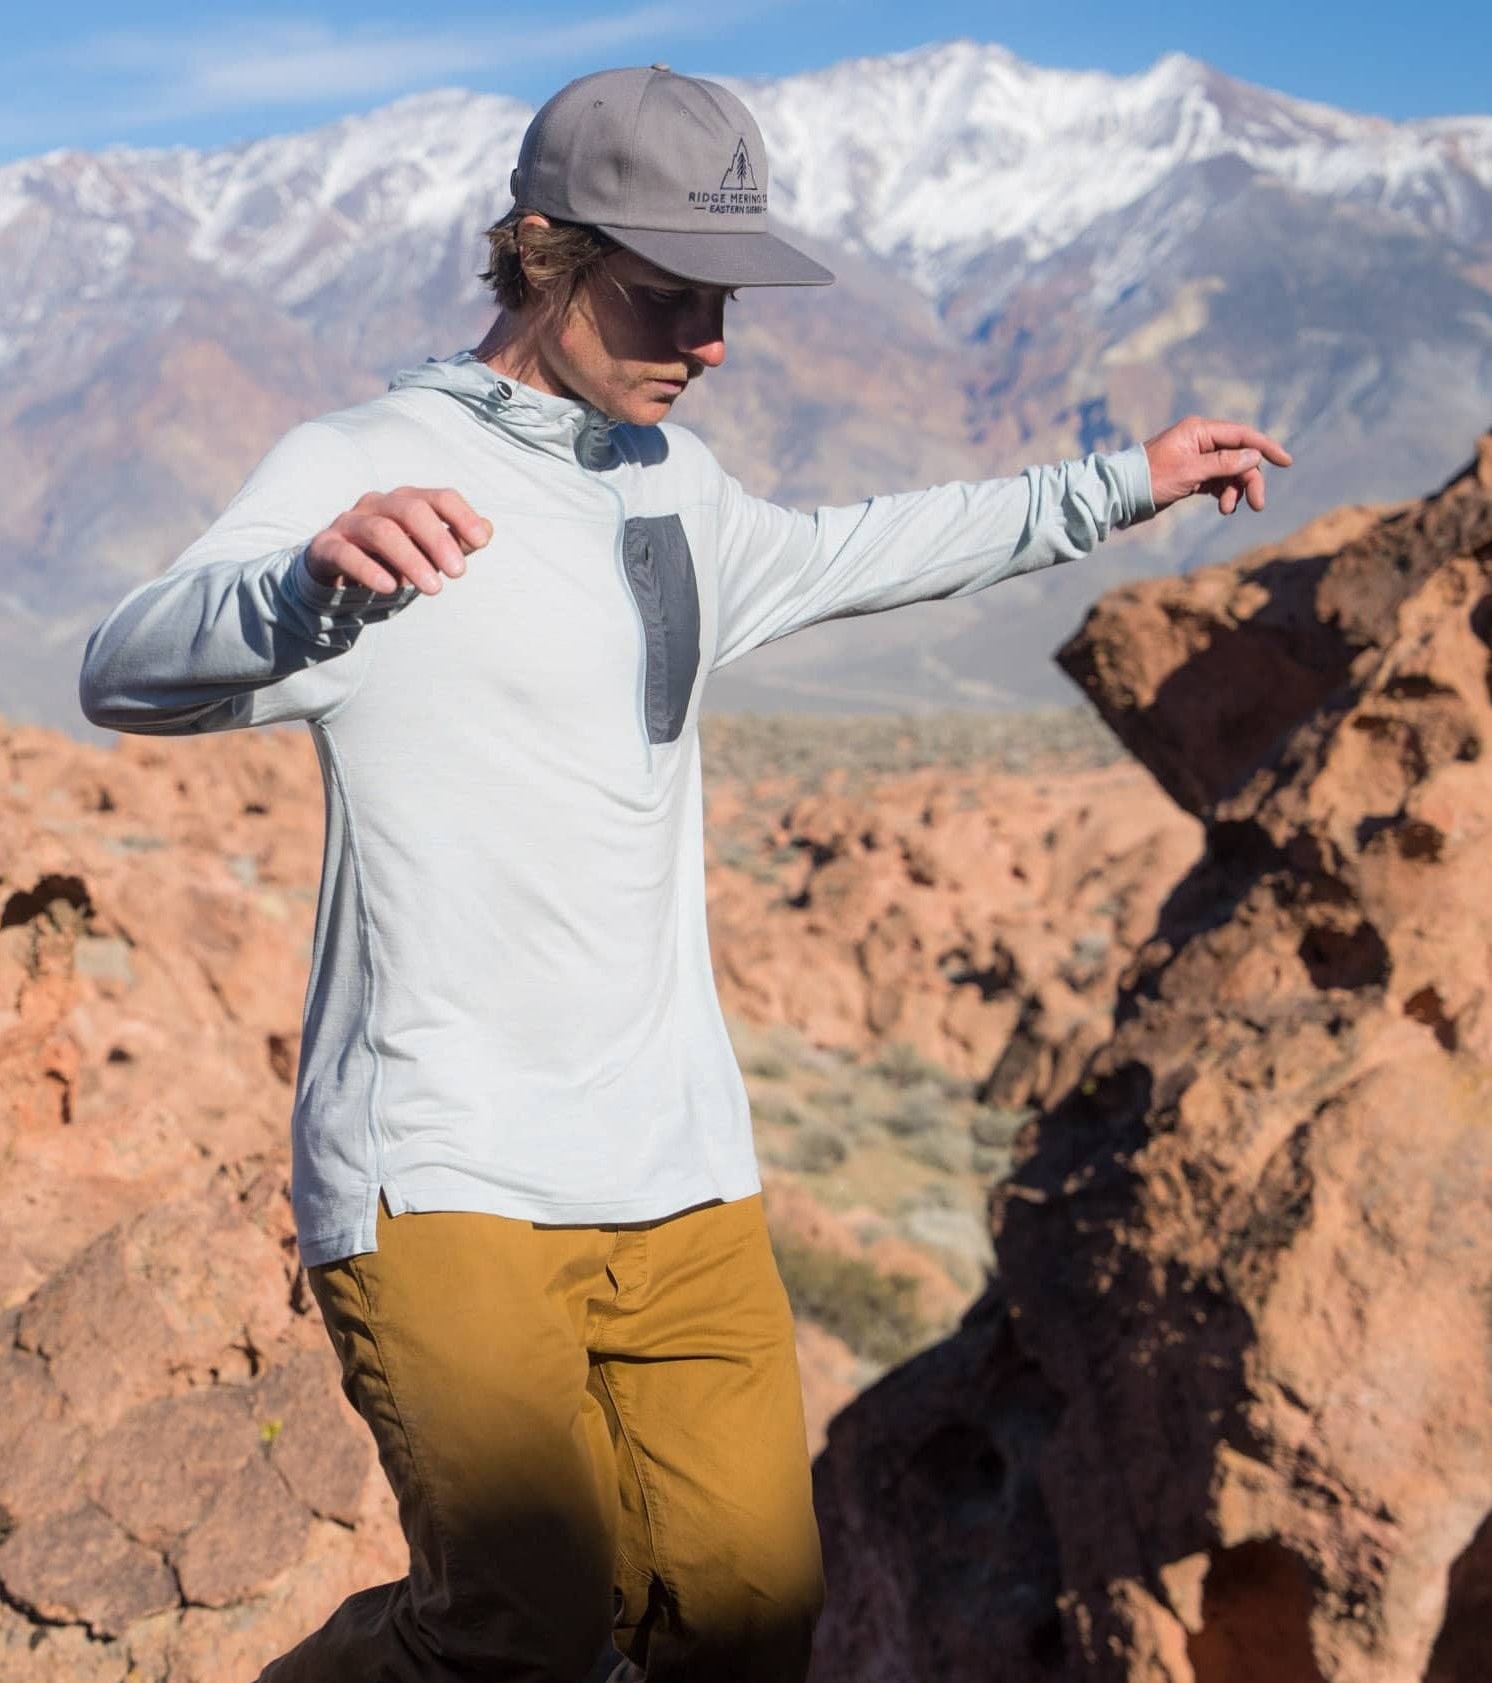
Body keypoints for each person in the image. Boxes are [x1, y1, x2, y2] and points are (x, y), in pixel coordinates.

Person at [78, 63, 1290, 1683]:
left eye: (723, 302)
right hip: (442, 1168)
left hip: (679, 1172)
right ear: (542, 254)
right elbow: (123, 666)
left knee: (743, 1625)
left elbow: (860, 549)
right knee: (519, 1626)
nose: (708, 343)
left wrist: (1116, 483)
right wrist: (300, 588)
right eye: (666, 298)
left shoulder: (673, 482)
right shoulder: (363, 459)